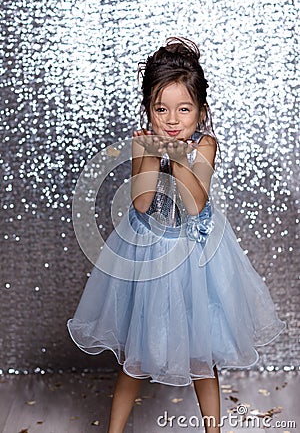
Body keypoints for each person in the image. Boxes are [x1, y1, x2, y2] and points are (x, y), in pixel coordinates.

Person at [67, 37, 286, 433]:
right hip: (150, 255)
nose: (172, 119)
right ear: (148, 110)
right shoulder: (142, 143)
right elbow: (142, 200)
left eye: (183, 109)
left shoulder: (206, 145)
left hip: (199, 258)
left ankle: (213, 429)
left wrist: (179, 155)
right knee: (135, 355)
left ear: (200, 111)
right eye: (161, 109)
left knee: (203, 357)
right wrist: (152, 153)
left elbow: (195, 201)